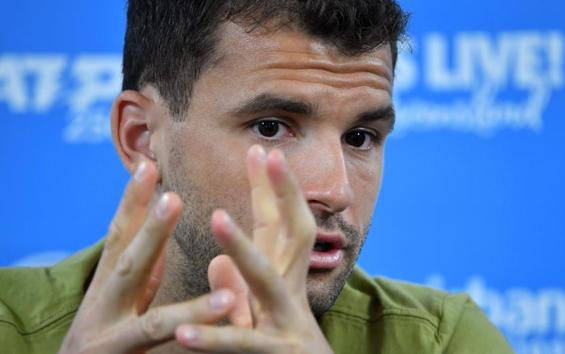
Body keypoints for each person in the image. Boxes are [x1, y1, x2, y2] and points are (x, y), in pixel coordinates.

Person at [0, 1, 513, 353]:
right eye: (271, 128)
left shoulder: (443, 341)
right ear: (141, 138)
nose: (334, 191)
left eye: (360, 137)